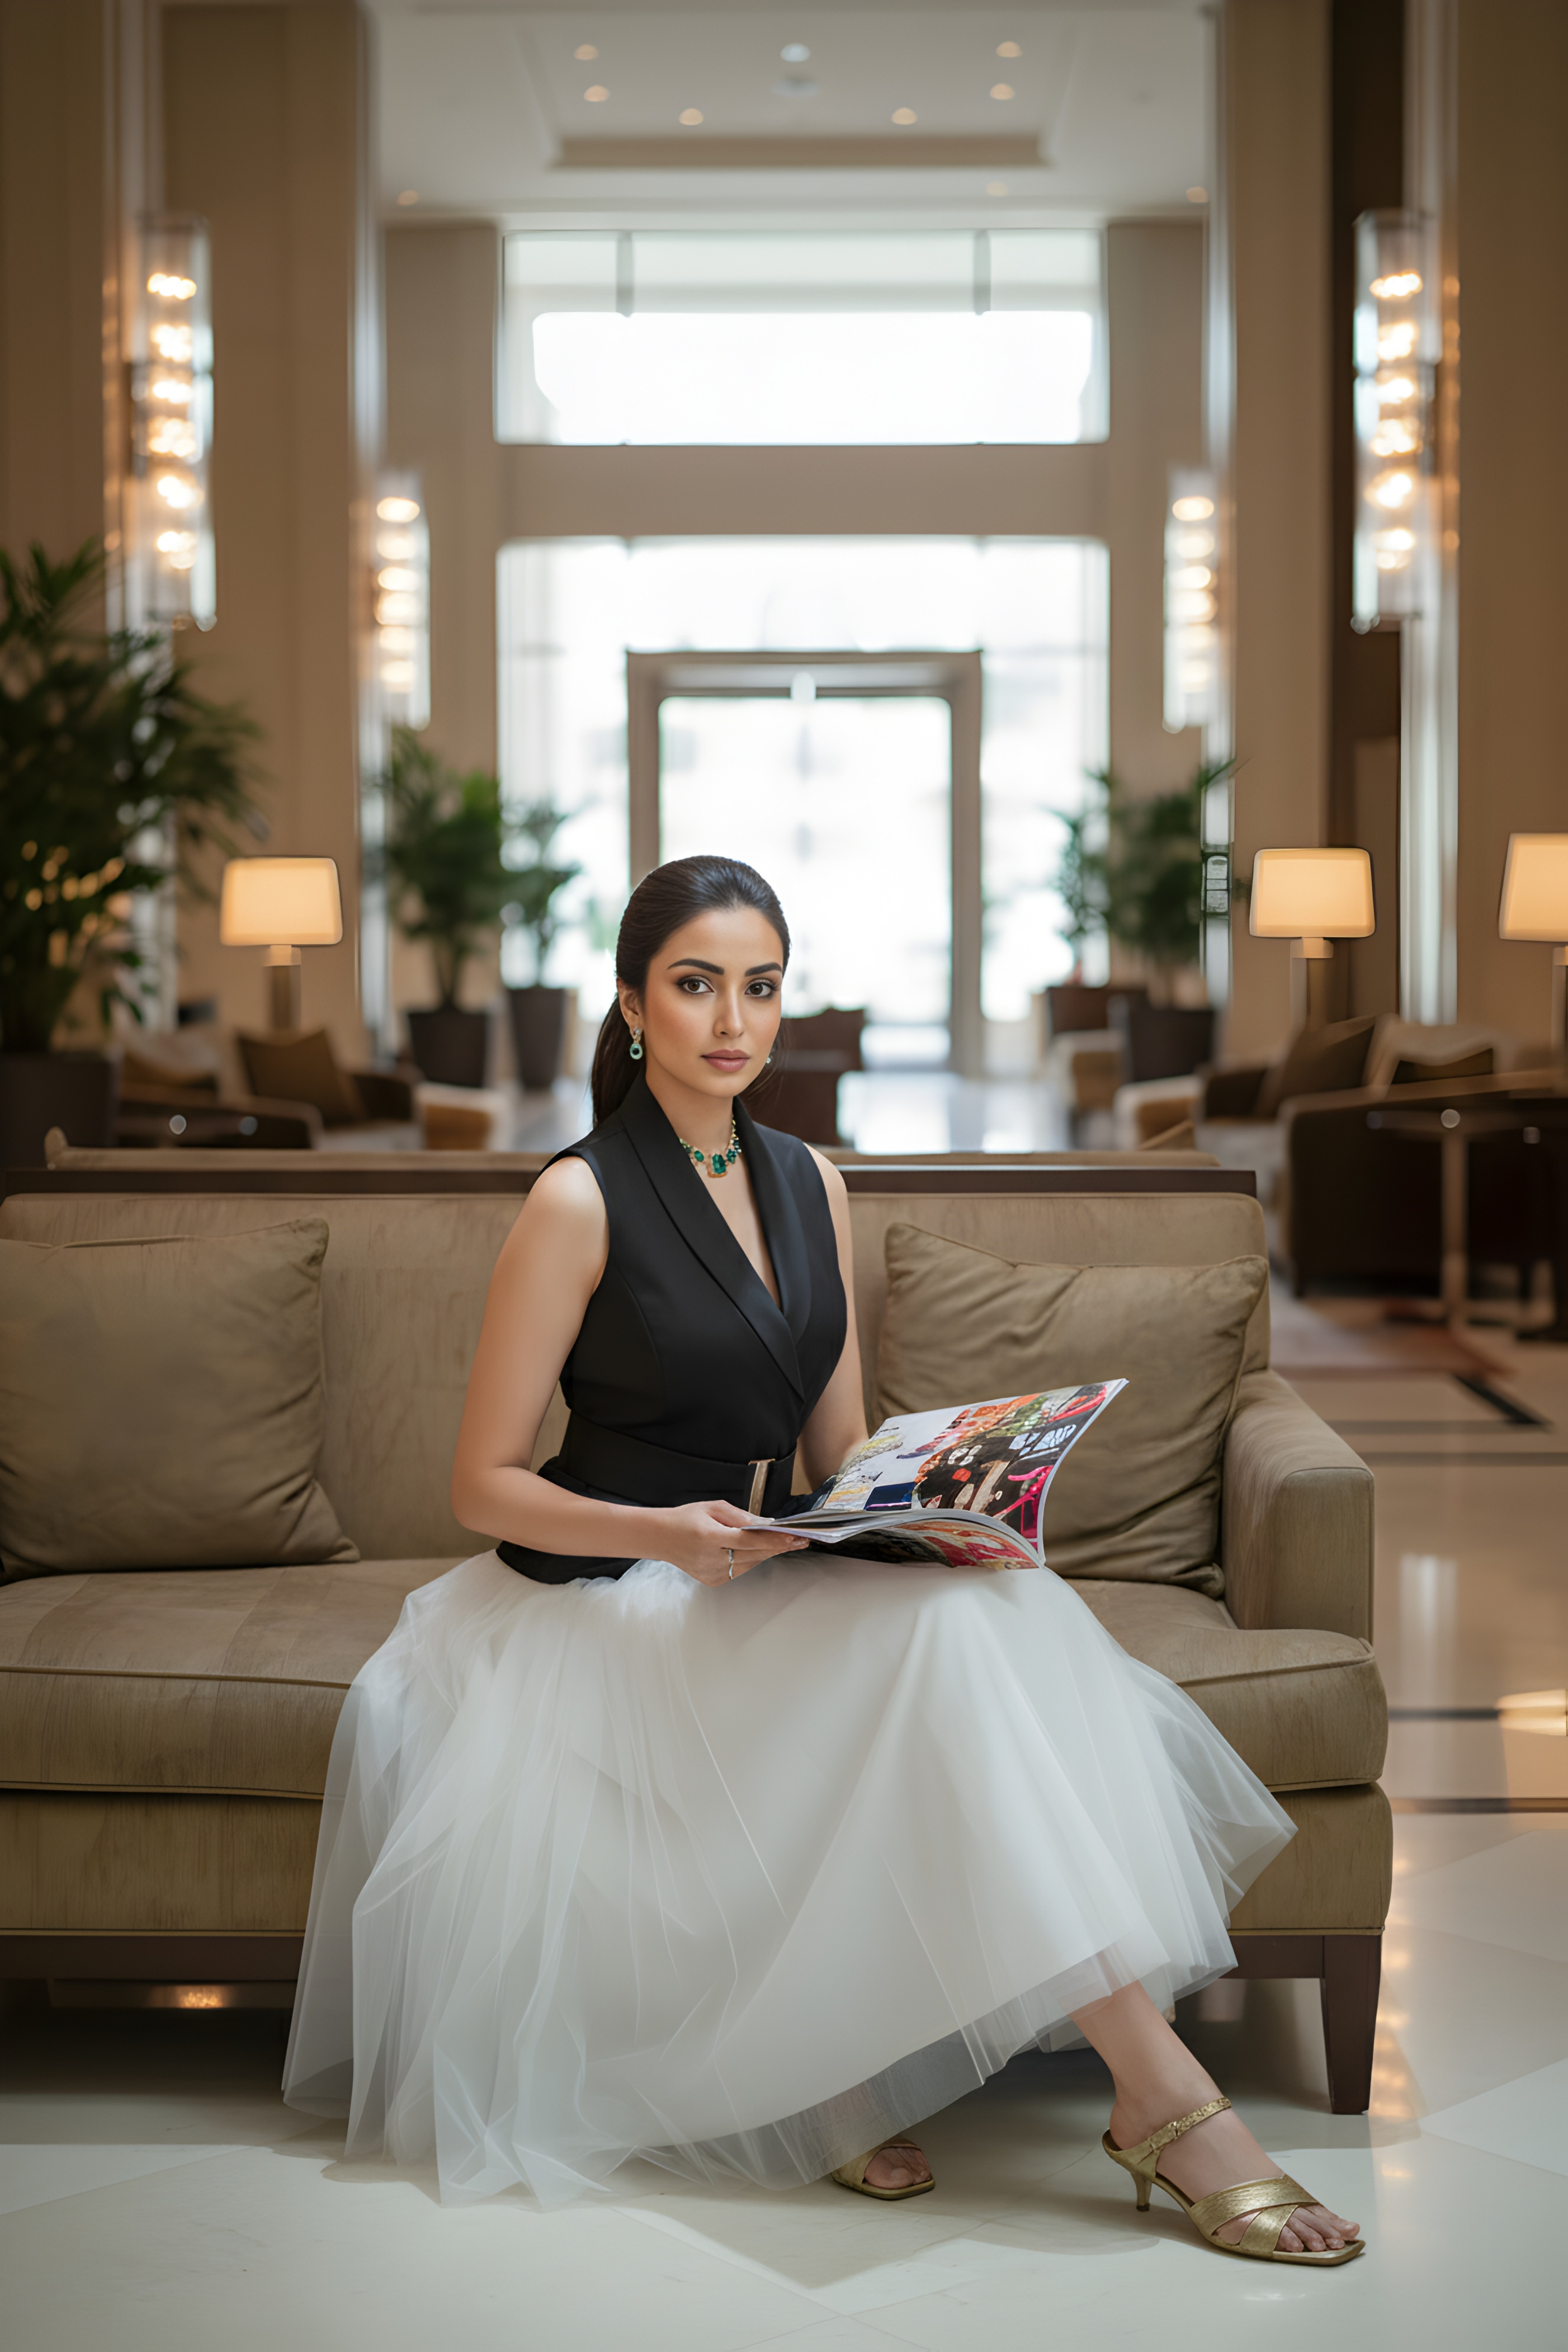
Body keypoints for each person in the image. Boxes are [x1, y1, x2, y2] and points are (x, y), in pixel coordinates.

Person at [284, 855, 1363, 2264]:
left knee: (986, 1613)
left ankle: (1082, 2081)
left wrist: (927, 1514)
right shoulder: (578, 1199)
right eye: (692, 985)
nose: (730, 1018)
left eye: (760, 985)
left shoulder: (810, 1180)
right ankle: (1158, 2099)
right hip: (612, 1595)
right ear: (628, 1007)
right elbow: (481, 1484)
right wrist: (662, 1536)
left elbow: (837, 1442)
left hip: (765, 1564)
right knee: (948, 1658)